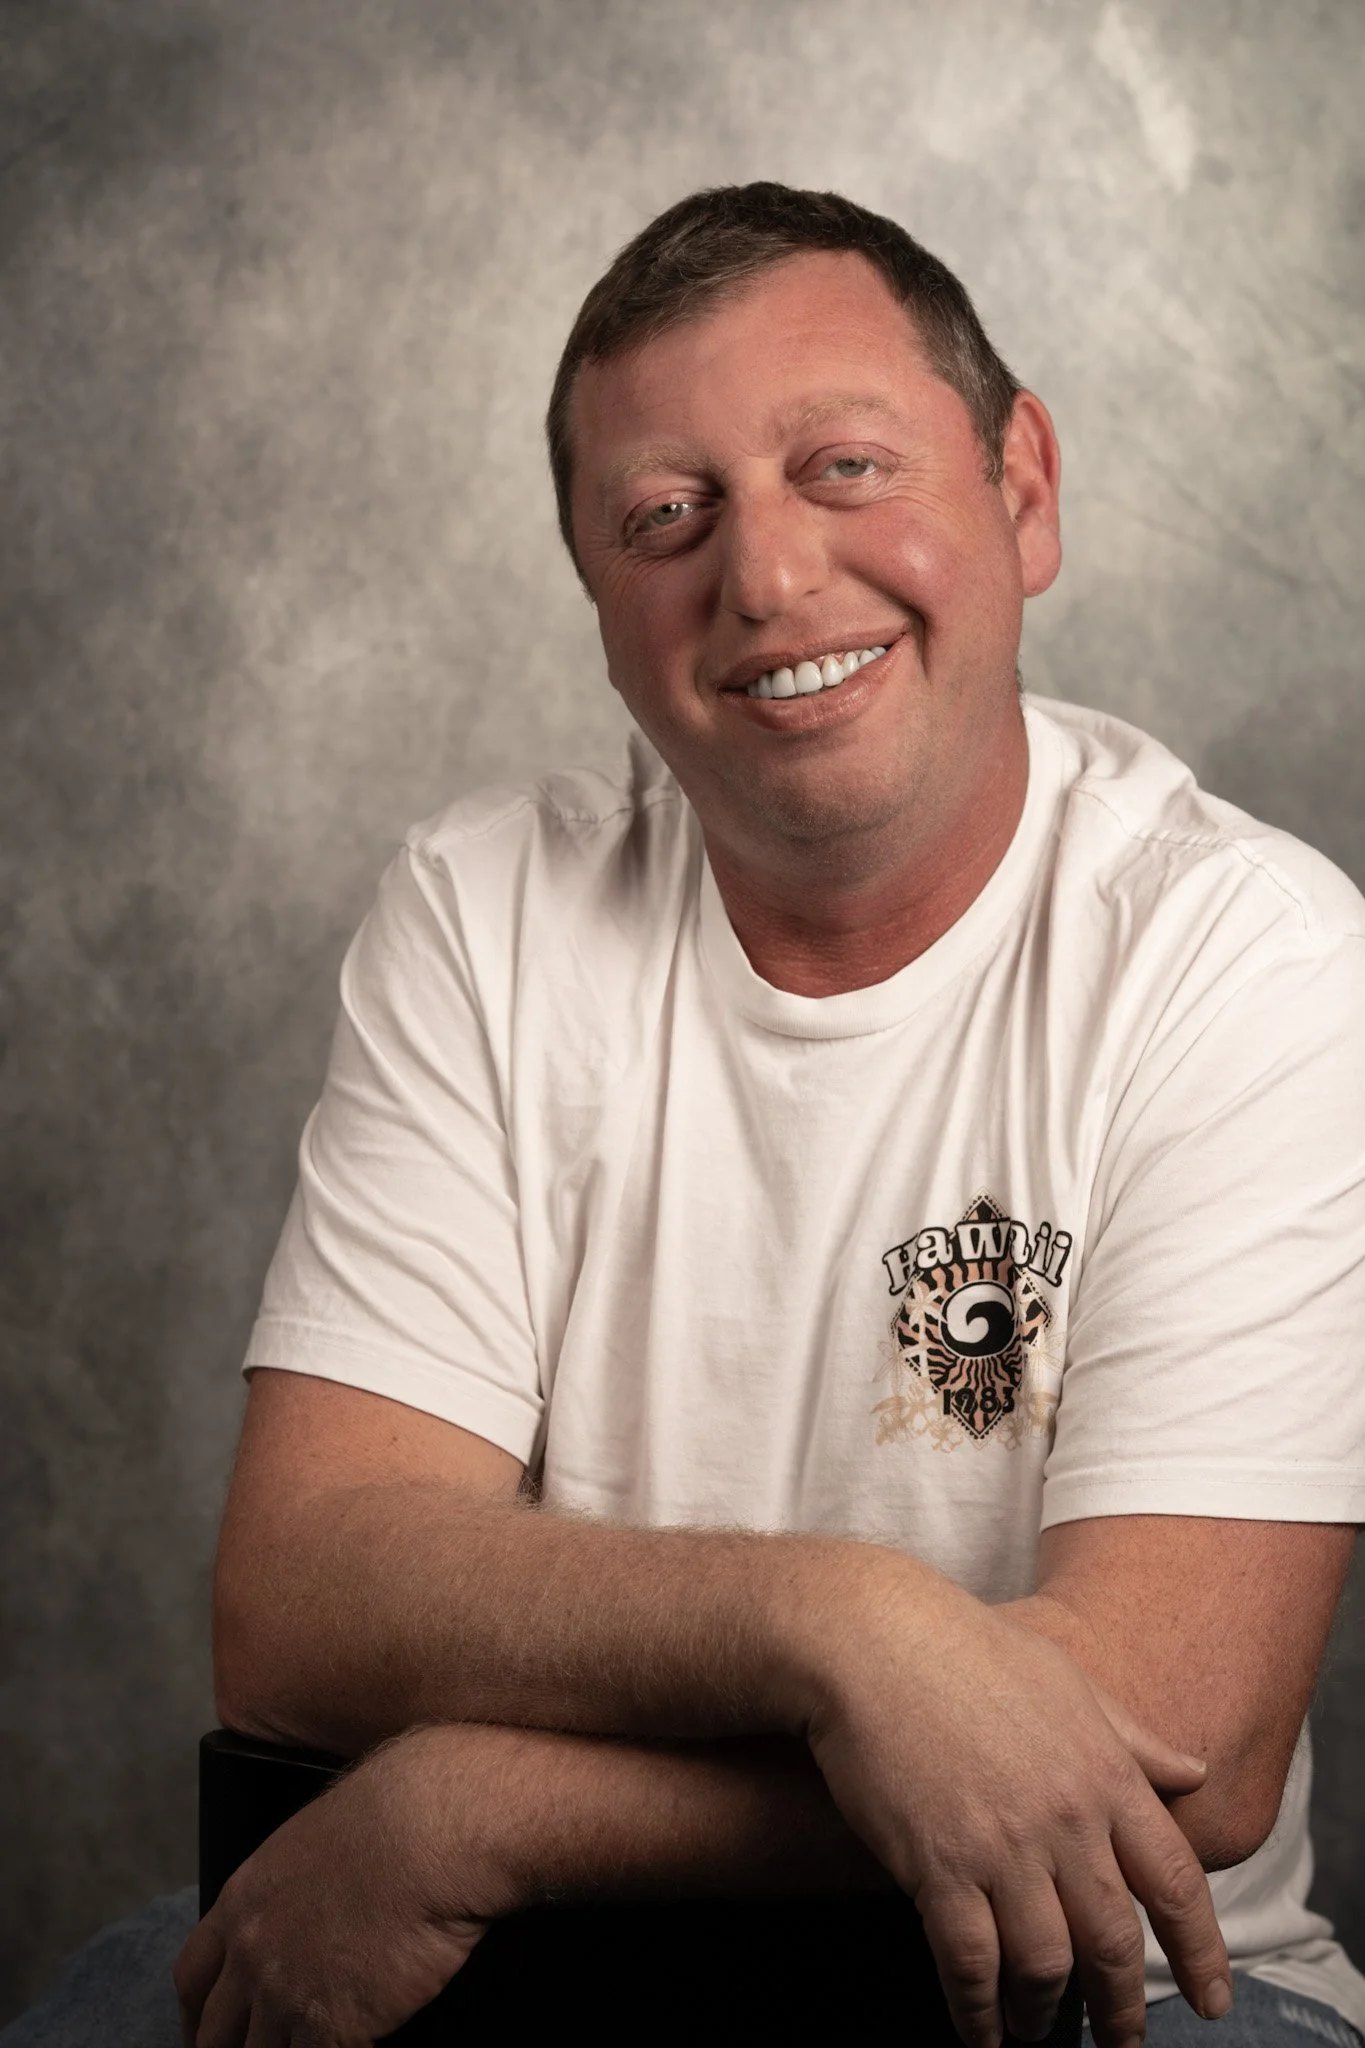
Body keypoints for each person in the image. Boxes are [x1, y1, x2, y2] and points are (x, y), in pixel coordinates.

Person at [6, 183, 1363, 2048]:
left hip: (1100, 1980)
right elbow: (305, 1598)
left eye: (845, 466)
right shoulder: (483, 910)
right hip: (547, 1977)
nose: (771, 578)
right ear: (596, 600)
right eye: (667, 517)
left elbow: (1176, 1751)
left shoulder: (1247, 950)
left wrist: (484, 1816)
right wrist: (841, 1628)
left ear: (1022, 489)